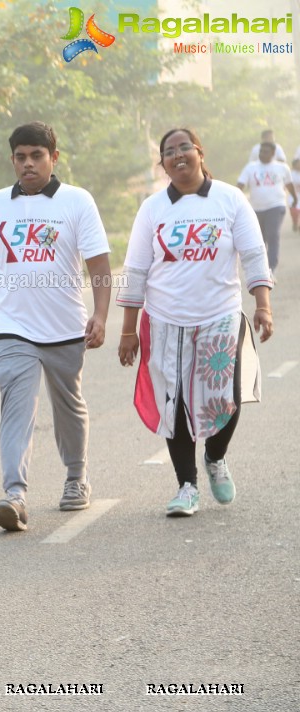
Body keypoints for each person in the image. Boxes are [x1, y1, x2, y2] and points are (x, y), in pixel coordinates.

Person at [0, 122, 112, 532]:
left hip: (65, 326)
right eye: (20, 156)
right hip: (12, 327)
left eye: (37, 156)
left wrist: (101, 314)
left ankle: (76, 477)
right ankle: (15, 495)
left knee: (68, 406)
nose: (28, 164)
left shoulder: (77, 202)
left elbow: (99, 264)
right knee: (15, 410)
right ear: (12, 160)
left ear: (53, 158)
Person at [117, 128, 275, 517]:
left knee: (227, 396)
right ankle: (186, 487)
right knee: (176, 405)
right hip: (165, 319)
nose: (177, 155)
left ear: (200, 152)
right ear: (163, 164)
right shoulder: (152, 208)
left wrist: (263, 306)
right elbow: (136, 269)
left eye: (184, 147)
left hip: (219, 314)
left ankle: (216, 456)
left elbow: (253, 253)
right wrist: (127, 330)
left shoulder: (229, 199)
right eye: (168, 152)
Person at [237, 142, 296, 273]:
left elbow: (289, 184)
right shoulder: (251, 167)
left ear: (273, 153)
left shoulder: (282, 167)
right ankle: (261, 267)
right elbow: (240, 184)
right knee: (260, 239)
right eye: (261, 151)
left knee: (273, 235)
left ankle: (271, 268)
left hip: (276, 206)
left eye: (265, 151)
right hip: (256, 209)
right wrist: (234, 199)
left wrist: (295, 198)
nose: (262, 154)